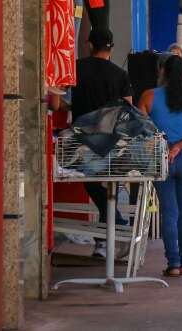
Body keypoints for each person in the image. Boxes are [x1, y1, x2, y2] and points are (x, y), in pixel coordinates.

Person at [138, 55, 182, 277]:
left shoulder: (149, 96)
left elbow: (140, 128)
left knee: (169, 212)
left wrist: (164, 145)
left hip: (161, 160)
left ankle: (173, 264)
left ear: (162, 72)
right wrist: (179, 146)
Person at [71, 28, 132, 257]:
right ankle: (113, 230)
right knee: (109, 188)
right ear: (111, 48)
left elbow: (57, 101)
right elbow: (128, 108)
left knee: (93, 184)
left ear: (89, 45)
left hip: (80, 141)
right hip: (110, 142)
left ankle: (105, 239)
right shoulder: (120, 74)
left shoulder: (76, 68)